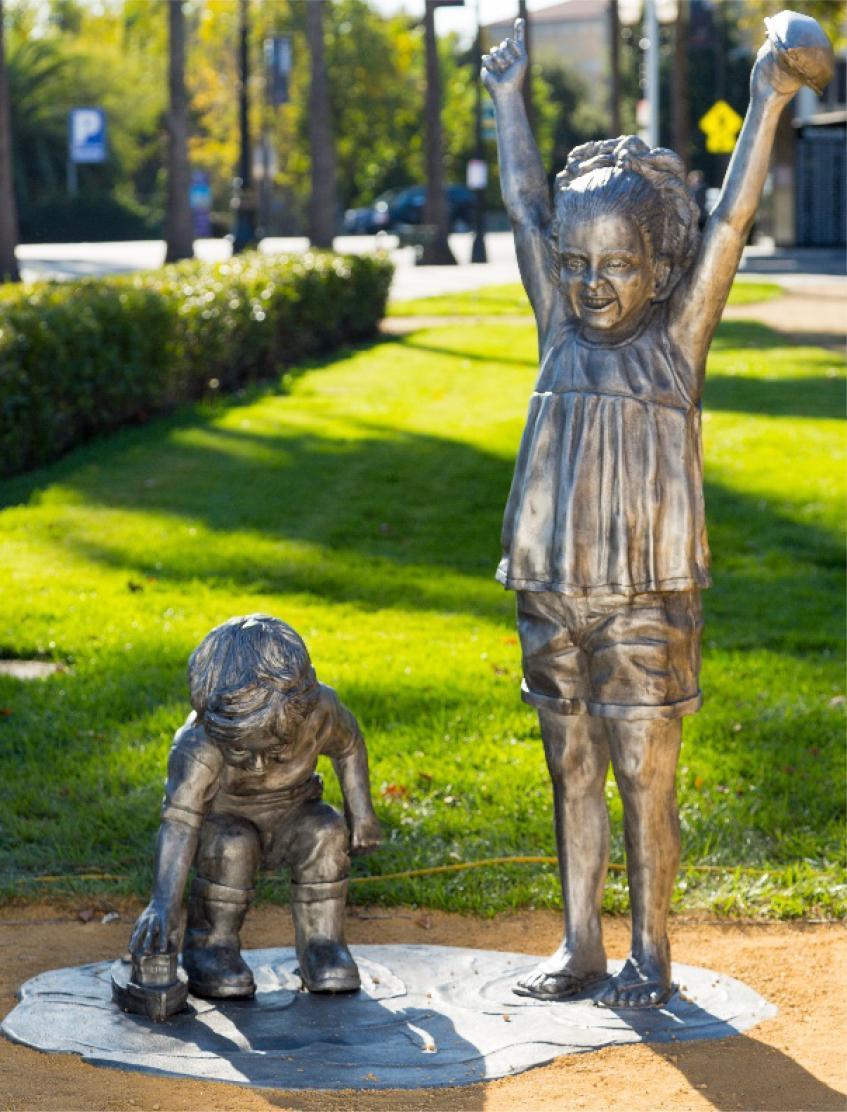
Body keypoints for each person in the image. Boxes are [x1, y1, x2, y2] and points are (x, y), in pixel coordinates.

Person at [482, 15, 829, 1007]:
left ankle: (651, 951)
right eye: (576, 264)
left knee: (644, 773)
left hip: (648, 594)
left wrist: (765, 97)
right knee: (570, 763)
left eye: (616, 266)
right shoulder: (557, 325)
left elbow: (729, 218)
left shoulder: (676, 341)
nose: (591, 286)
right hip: (550, 582)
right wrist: (508, 100)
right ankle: (580, 941)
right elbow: (517, 203)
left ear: (661, 268)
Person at [128, 614, 380, 998]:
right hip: (227, 824)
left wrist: (360, 812)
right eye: (242, 752)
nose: (259, 765)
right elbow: (179, 822)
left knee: (326, 832)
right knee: (232, 845)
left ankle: (323, 944)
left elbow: (348, 745)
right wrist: (162, 903)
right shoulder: (196, 745)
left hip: (295, 814)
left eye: (275, 749)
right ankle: (211, 946)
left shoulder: (320, 711)